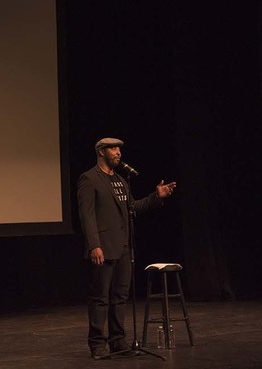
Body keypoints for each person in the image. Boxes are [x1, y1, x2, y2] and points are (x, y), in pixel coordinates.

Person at [77, 137, 176, 359]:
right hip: (103, 247)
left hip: (124, 247)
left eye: (119, 149)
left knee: (120, 296)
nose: (118, 153)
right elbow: (87, 216)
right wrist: (94, 245)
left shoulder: (121, 180)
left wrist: (156, 197)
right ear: (101, 152)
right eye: (113, 149)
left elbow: (133, 208)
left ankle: (118, 341)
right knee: (100, 297)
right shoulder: (89, 179)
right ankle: (97, 344)